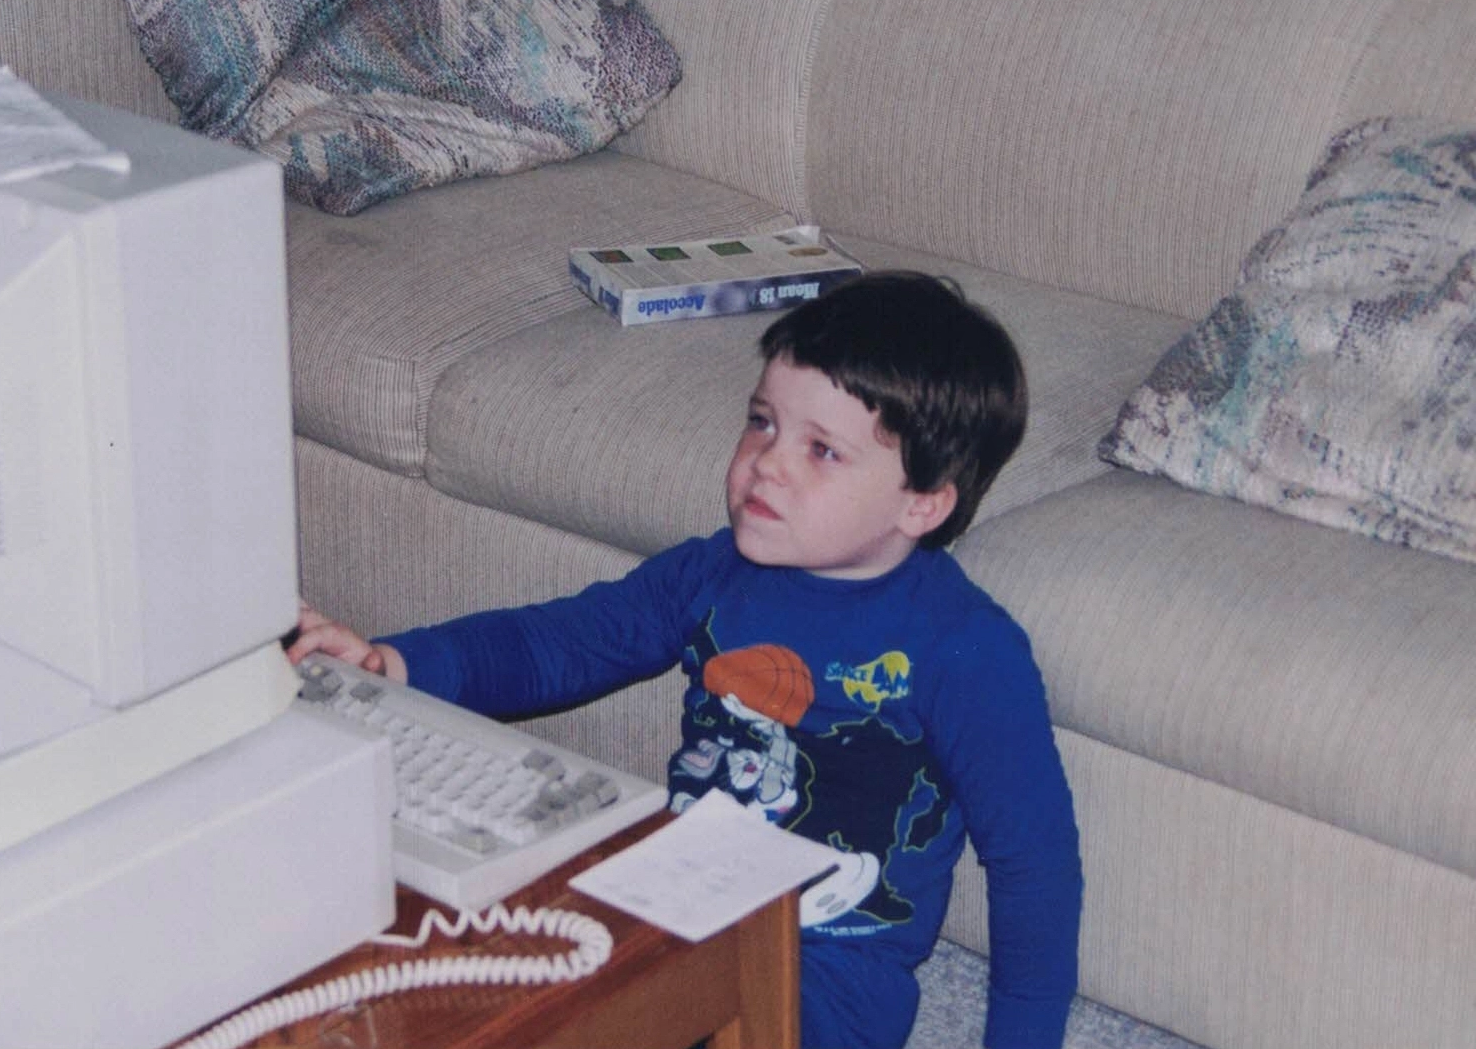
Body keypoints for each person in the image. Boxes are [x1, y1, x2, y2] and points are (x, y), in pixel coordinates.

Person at [288, 270, 1083, 1049]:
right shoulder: (712, 573)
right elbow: (563, 640)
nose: (767, 462)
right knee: (460, 987)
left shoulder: (965, 649)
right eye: (762, 422)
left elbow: (1033, 870)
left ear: (922, 502)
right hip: (665, 902)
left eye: (822, 451)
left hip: (829, 967)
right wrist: (396, 664)